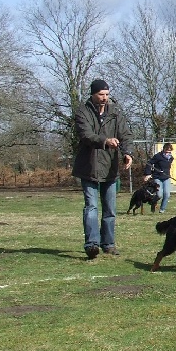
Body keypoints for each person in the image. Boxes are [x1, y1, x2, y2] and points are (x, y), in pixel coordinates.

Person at [72, 79, 134, 259]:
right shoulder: (83, 113)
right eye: (101, 94)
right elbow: (86, 135)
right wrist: (105, 141)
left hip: (110, 169)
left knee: (110, 210)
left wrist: (127, 152)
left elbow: (126, 135)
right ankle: (91, 244)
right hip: (88, 167)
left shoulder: (115, 113)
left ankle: (108, 244)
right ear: (93, 94)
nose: (104, 98)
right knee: (91, 207)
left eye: (107, 94)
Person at [143, 143, 173, 213]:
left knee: (167, 194)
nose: (167, 153)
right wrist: (148, 174)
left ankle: (162, 209)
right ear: (163, 149)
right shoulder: (158, 156)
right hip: (157, 177)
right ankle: (153, 203)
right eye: (166, 151)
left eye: (169, 152)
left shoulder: (171, 158)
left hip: (166, 177)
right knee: (159, 195)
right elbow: (149, 163)